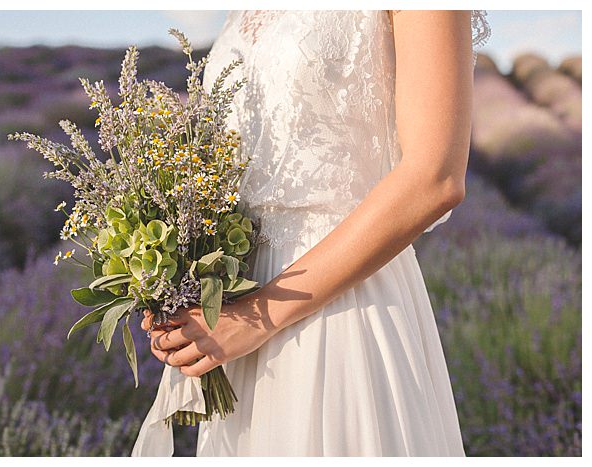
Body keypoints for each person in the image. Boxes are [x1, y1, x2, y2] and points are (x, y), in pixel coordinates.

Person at [139, 10, 491, 456]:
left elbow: (434, 178)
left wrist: (261, 314)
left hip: (341, 305)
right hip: (239, 316)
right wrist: (178, 286)